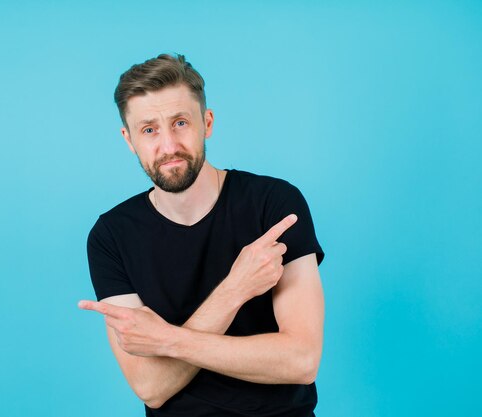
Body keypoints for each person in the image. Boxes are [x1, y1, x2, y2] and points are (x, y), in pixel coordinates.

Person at [78, 53, 325, 417]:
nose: (168, 146)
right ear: (129, 139)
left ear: (207, 123)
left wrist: (167, 341)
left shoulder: (274, 204)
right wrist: (235, 289)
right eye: (149, 130)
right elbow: (151, 387)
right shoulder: (111, 236)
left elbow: (302, 360)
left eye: (180, 122)